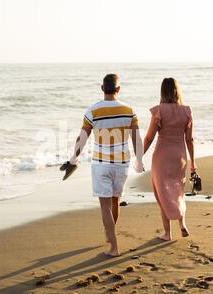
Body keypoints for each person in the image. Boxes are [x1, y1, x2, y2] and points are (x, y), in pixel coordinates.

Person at [61, 74, 143, 257]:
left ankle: (113, 246)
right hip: (122, 164)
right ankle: (110, 234)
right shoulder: (129, 110)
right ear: (118, 89)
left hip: (101, 164)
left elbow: (82, 138)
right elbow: (136, 138)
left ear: (102, 88)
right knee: (115, 201)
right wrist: (140, 160)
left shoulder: (93, 111)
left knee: (105, 205)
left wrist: (73, 160)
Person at [143, 78, 197, 241]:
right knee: (178, 191)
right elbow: (190, 139)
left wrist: (139, 156)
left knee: (163, 194)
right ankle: (182, 224)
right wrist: (193, 162)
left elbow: (149, 138)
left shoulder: (159, 111)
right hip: (180, 157)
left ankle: (167, 233)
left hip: (162, 157)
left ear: (162, 91)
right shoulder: (187, 111)